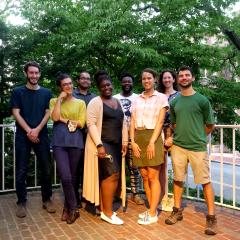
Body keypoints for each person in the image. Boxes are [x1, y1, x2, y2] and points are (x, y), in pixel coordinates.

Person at [165, 66, 217, 235]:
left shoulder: (202, 100)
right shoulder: (174, 102)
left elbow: (210, 125)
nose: (184, 78)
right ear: (177, 79)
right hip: (178, 147)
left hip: (197, 148)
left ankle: (211, 218)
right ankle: (177, 211)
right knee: (178, 180)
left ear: (193, 78)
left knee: (205, 181)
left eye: (187, 75)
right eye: (181, 76)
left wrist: (199, 137)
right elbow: (173, 124)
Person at [10, 61, 55, 218]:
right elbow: (16, 112)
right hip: (23, 135)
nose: (34, 75)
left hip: (41, 134)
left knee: (46, 168)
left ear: (39, 74)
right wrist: (30, 131)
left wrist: (36, 130)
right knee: (21, 169)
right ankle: (21, 202)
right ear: (26, 74)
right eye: (31, 73)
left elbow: (48, 112)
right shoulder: (17, 92)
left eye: (36, 73)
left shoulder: (46, 93)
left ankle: (47, 199)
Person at [83, 70, 128, 225]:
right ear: (98, 88)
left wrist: (125, 141)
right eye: (103, 86)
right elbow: (91, 124)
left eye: (108, 85)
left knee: (110, 176)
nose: (106, 88)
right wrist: (99, 145)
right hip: (103, 144)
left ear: (112, 85)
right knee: (111, 175)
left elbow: (123, 123)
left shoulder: (118, 102)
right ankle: (107, 213)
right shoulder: (95, 102)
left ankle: (105, 208)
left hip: (116, 145)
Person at [130, 68, 168, 225]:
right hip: (138, 137)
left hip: (154, 136)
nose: (146, 81)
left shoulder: (161, 98)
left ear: (155, 80)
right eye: (144, 78)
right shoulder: (136, 99)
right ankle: (152, 208)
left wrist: (152, 142)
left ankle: (153, 213)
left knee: (153, 176)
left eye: (149, 78)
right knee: (144, 175)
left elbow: (160, 122)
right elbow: (132, 121)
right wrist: (132, 141)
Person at [50, 73, 86, 224]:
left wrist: (66, 121)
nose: (69, 86)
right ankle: (74, 208)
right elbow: (55, 117)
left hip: (76, 141)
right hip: (59, 141)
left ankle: (67, 207)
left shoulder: (80, 103)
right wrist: (59, 99)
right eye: (65, 84)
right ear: (60, 87)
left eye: (70, 83)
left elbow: (82, 123)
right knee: (65, 176)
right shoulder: (53, 100)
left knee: (72, 177)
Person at [114, 73, 144, 205]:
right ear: (121, 83)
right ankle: (117, 193)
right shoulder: (115, 98)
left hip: (134, 137)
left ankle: (135, 193)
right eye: (124, 81)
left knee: (134, 167)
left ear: (133, 83)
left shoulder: (138, 98)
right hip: (117, 137)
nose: (127, 84)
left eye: (129, 82)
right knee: (117, 167)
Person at [72, 71, 96, 208]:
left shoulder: (94, 97)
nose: (85, 80)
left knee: (88, 168)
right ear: (78, 80)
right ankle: (74, 196)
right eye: (83, 78)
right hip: (75, 136)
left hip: (90, 137)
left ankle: (86, 195)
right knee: (75, 168)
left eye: (88, 78)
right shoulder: (72, 95)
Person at [157, 69, 179, 211]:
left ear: (173, 79)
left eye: (169, 77)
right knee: (162, 166)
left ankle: (176, 200)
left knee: (177, 166)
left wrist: (172, 135)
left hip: (175, 131)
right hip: (160, 131)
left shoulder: (179, 95)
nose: (166, 80)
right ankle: (163, 197)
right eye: (164, 78)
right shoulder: (158, 96)